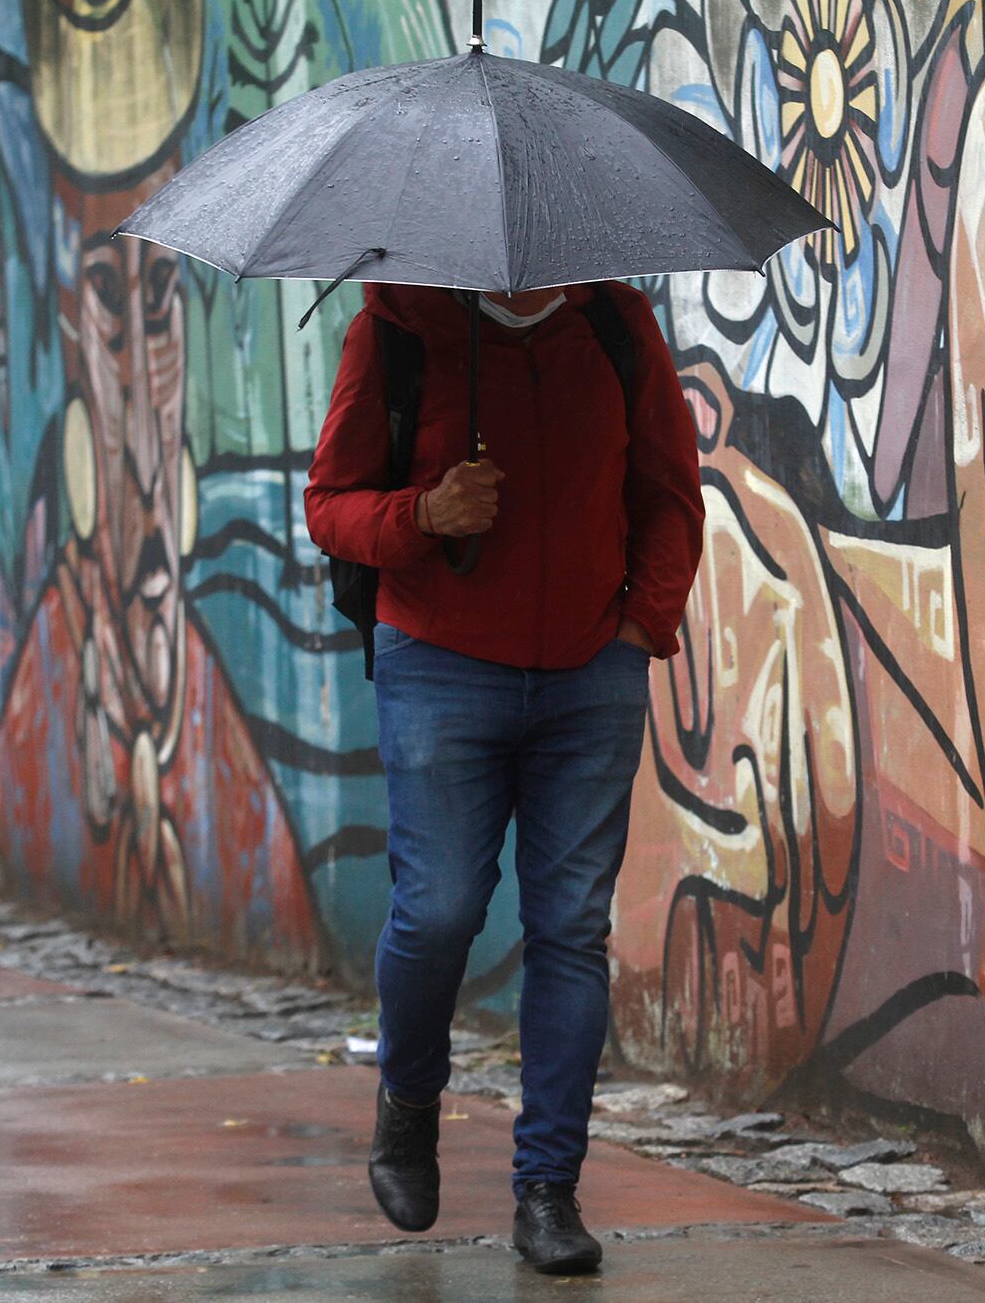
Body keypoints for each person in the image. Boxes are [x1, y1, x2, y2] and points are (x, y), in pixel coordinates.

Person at [305, 280, 704, 1275]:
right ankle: (408, 1103)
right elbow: (329, 508)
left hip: (589, 675)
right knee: (438, 909)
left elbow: (669, 496)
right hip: (439, 665)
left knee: (569, 926)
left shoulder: (614, 324)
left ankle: (548, 1190)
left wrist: (638, 629)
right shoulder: (397, 327)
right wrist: (425, 512)